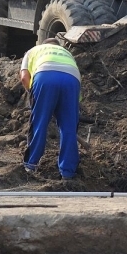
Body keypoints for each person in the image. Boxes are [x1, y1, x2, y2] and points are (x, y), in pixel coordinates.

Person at [19, 37, 81, 180]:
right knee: (69, 128)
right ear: (58, 46)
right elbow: (77, 96)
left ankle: (30, 165)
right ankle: (68, 172)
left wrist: (34, 94)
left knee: (39, 123)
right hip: (72, 80)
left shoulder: (33, 51)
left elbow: (24, 77)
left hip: (45, 76)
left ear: (44, 45)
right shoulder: (67, 53)